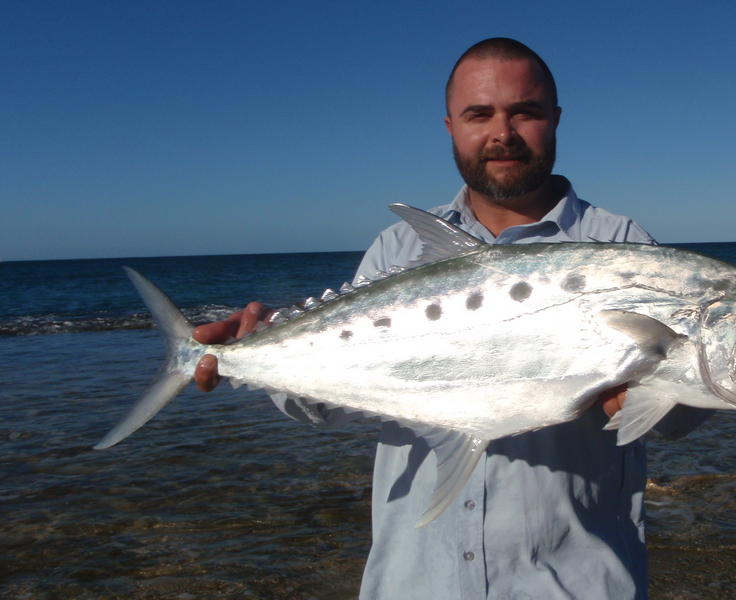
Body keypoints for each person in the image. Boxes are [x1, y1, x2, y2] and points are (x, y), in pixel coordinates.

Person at [193, 38, 701, 599]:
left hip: (573, 583)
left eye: (524, 112)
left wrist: (651, 395)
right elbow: (324, 405)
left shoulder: (622, 246)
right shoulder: (398, 248)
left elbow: (684, 414)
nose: (502, 133)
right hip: (417, 582)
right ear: (451, 126)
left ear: (555, 119)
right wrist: (259, 355)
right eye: (479, 114)